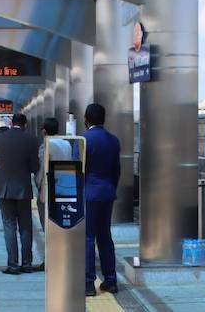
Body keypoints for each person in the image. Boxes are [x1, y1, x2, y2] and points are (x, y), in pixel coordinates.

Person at [0, 113, 40, 275]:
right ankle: (27, 264)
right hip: (23, 188)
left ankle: (13, 265)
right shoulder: (32, 140)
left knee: (9, 225)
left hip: (3, 187)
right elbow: (34, 167)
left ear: (12, 123)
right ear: (25, 124)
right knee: (25, 226)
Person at [83, 103, 121, 296]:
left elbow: (77, 169)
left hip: (88, 193)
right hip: (107, 193)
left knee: (88, 237)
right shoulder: (113, 140)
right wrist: (111, 187)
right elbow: (117, 170)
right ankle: (111, 280)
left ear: (86, 119)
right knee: (105, 236)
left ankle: (88, 283)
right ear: (103, 119)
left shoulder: (83, 140)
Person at [33, 117, 72, 272]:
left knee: (48, 227)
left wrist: (38, 185)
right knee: (61, 225)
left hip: (49, 192)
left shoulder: (46, 145)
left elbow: (42, 171)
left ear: (44, 130)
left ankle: (50, 259)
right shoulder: (67, 143)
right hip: (65, 190)